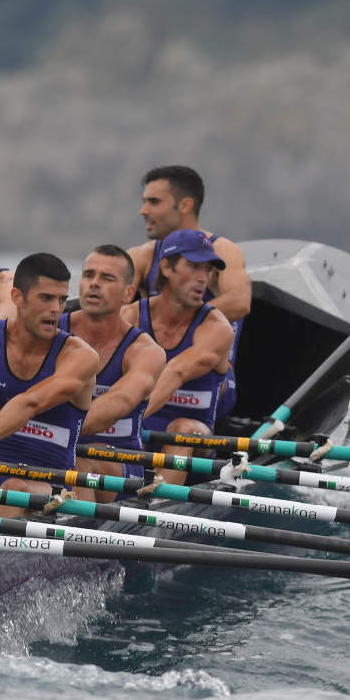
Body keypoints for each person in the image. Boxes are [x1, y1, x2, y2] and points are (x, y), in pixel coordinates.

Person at [0, 253, 99, 518]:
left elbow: (30, 402)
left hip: (50, 483)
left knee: (13, 490)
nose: (56, 309)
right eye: (46, 298)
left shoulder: (80, 356)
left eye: (62, 299)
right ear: (17, 297)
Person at [126, 164, 250, 423]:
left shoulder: (223, 251)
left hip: (208, 382)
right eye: (144, 202)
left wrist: (178, 323)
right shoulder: (142, 256)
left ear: (184, 205)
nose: (143, 211)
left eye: (154, 202)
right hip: (153, 371)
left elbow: (239, 302)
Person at [121, 229, 235, 486]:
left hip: (194, 449)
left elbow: (177, 370)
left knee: (182, 430)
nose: (202, 278)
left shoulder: (217, 327)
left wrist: (119, 424)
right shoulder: (129, 317)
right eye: (194, 266)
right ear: (166, 268)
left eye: (207, 270)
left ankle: (154, 517)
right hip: (136, 441)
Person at [58, 246, 166, 503]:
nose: (94, 284)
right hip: (53, 452)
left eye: (107, 278)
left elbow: (120, 402)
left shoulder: (145, 351)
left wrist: (38, 430)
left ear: (128, 293)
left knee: (79, 464)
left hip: (118, 462)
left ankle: (80, 539)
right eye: (88, 275)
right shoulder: (51, 330)